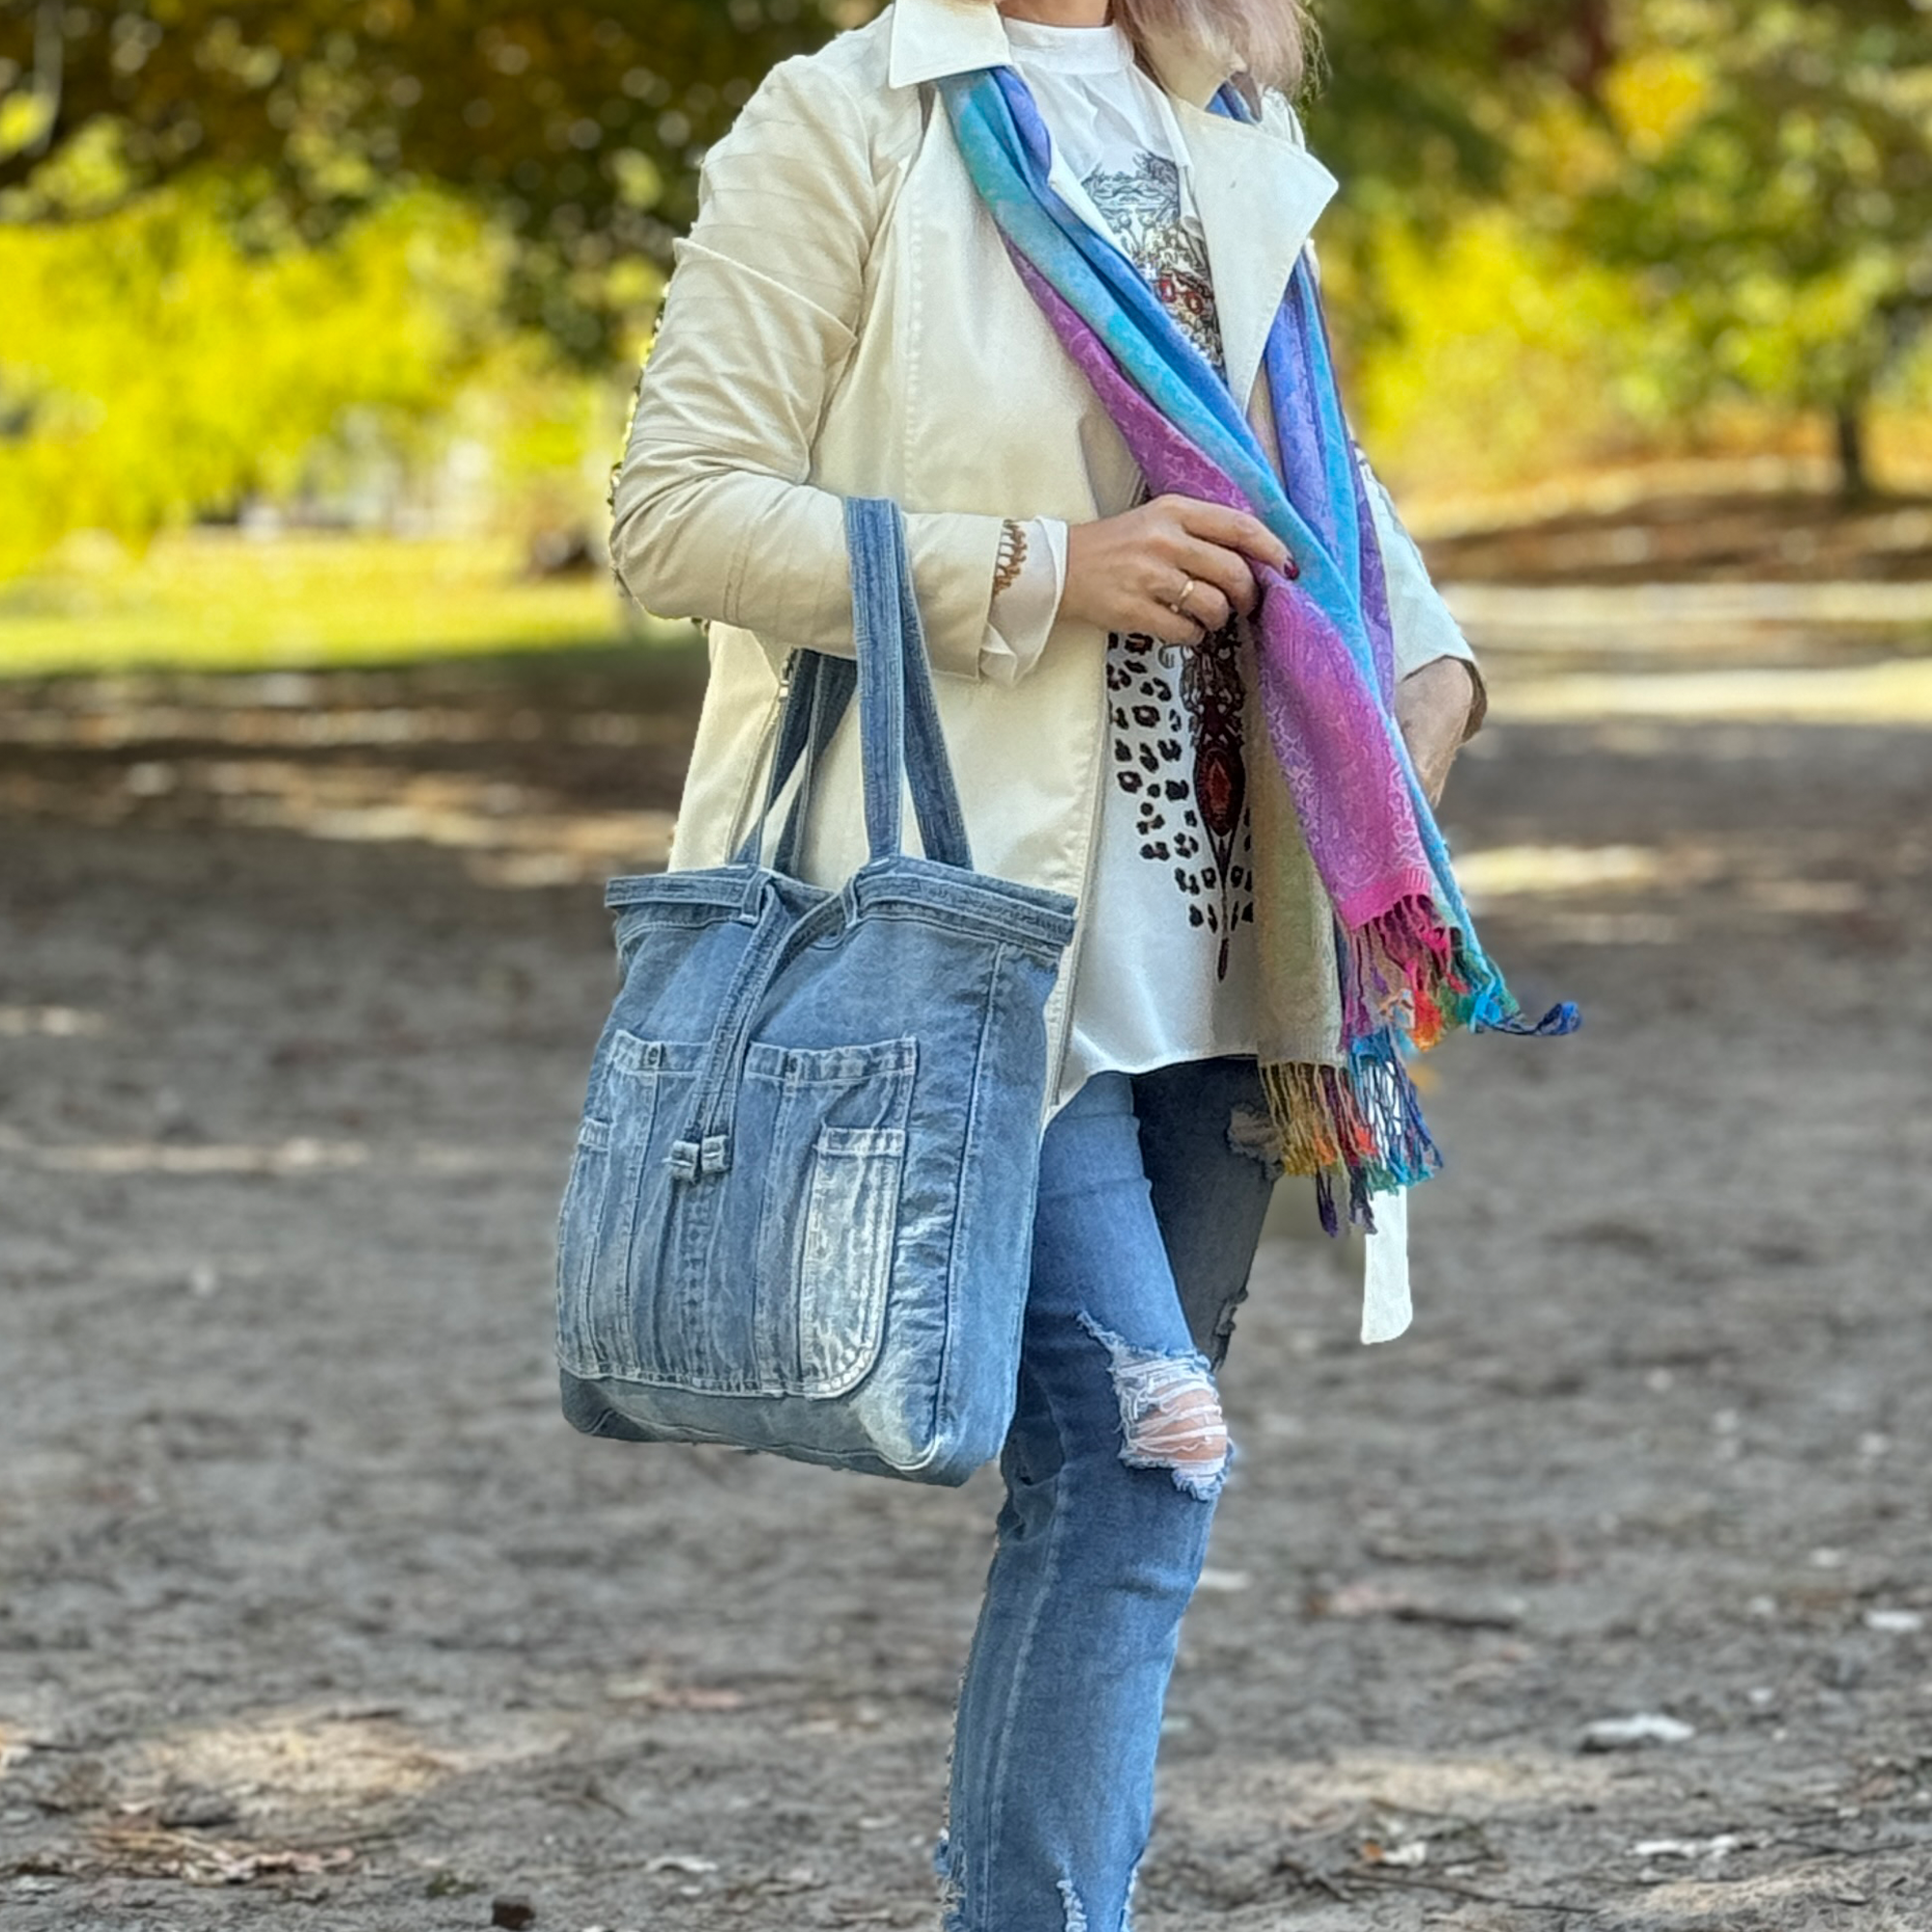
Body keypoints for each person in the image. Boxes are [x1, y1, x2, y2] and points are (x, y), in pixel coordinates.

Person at [609, 0, 1488, 1926]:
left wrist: (1432, 664)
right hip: (978, 923)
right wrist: (1034, 570)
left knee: (1117, 1484)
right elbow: (672, 510)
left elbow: (1300, 456)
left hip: (1234, 942)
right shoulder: (847, 119)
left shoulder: (1216, 108)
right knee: (1147, 1445)